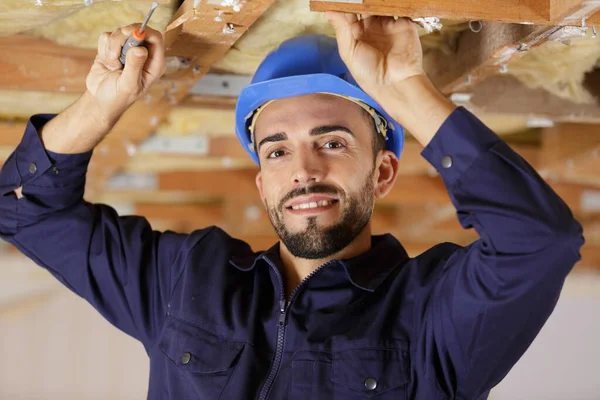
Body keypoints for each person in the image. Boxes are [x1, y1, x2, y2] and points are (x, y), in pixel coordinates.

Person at [0, 11, 584, 400]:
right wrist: (100, 106)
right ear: (262, 184)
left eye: (332, 142)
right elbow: (24, 206)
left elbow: (539, 244)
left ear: (382, 171)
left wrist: (406, 91)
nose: (303, 170)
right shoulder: (186, 282)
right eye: (276, 151)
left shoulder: (431, 316)